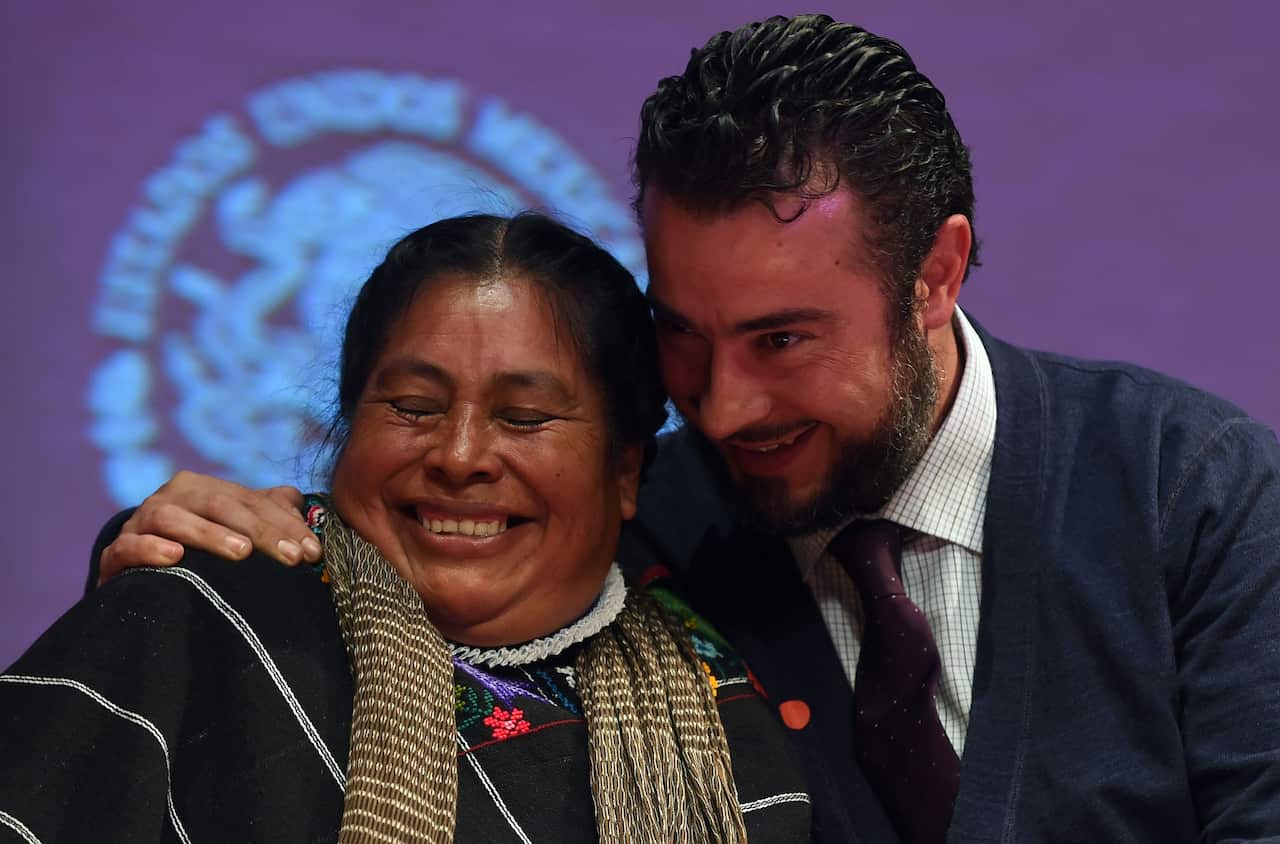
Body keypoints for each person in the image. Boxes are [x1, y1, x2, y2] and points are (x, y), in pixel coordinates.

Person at [86, 13, 1280, 844]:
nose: (719, 407)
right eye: (682, 337)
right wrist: (176, 542)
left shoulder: (1190, 490)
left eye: (781, 340)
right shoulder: (640, 510)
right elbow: (408, 555)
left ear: (937, 273)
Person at [0, 213, 812, 842]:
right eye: (412, 408)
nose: (460, 457)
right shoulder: (199, 611)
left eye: (525, 418)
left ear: (627, 469)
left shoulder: (722, 708)